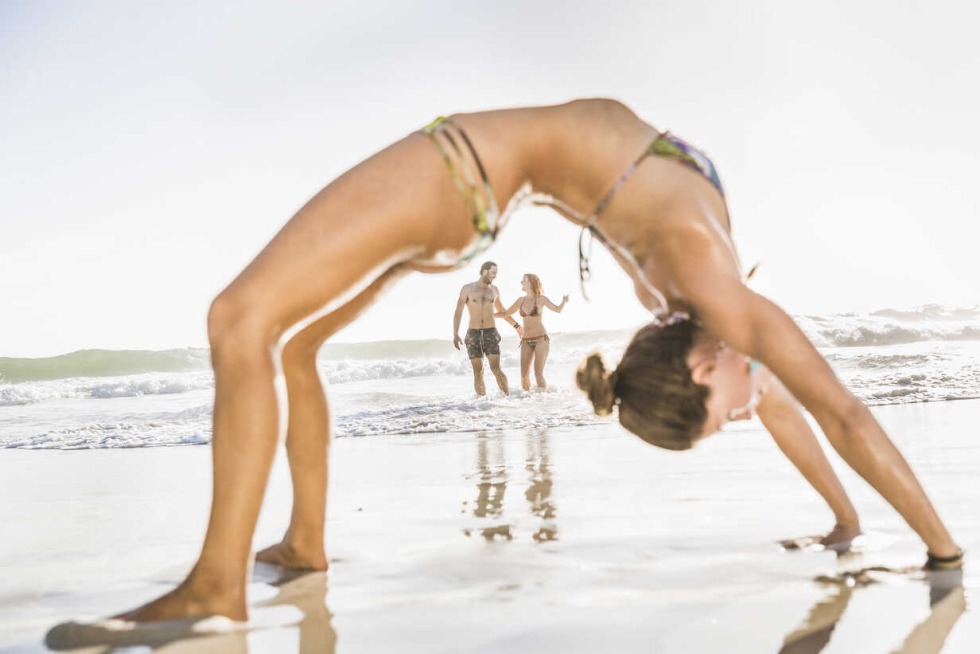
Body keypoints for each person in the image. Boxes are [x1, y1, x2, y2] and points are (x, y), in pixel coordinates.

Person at [110, 98, 960, 625]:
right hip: (468, 182)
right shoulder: (713, 297)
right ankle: (296, 547)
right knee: (277, 337)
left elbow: (789, 407)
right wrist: (941, 552)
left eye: (726, 420)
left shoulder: (699, 308)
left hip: (467, 177)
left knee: (241, 320)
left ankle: (220, 583)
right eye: (730, 414)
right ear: (707, 368)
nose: (751, 408)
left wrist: (854, 522)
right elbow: (838, 412)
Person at [453, 261, 520, 395]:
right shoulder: (467, 288)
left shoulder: (495, 290)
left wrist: (516, 326)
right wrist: (455, 333)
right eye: (493, 273)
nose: (495, 276)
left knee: (496, 368)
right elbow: (458, 311)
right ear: (485, 271)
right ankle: (482, 403)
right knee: (477, 371)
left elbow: (502, 311)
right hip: (473, 333)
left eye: (496, 273)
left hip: (491, 332)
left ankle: (507, 397)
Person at [496, 273, 568, 390]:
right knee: (524, 376)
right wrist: (489, 314)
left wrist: (563, 301)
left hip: (541, 339)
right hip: (526, 341)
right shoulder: (521, 300)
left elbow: (557, 309)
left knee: (538, 374)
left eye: (524, 280)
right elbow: (506, 313)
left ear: (531, 283)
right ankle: (528, 399)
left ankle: (543, 398)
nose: (521, 282)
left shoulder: (541, 299)